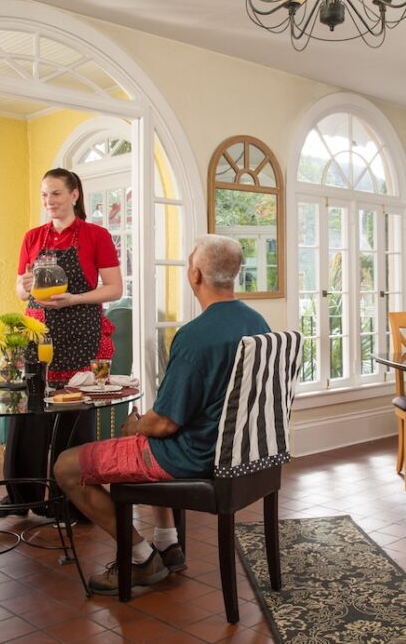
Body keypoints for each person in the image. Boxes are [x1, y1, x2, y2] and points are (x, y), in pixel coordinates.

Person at [53, 235, 270, 594]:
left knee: (66, 466)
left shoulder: (196, 335)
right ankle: (167, 542)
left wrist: (136, 426)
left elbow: (165, 423)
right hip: (238, 453)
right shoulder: (257, 322)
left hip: (194, 457)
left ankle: (141, 557)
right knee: (143, 436)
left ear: (195, 274)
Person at [0, 168, 123, 514]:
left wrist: (74, 298)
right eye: (44, 195)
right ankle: (21, 498)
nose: (48, 201)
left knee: (74, 418)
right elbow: (21, 291)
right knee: (30, 413)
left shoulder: (96, 235)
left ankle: (72, 504)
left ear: (74, 195)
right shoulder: (32, 237)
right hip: (39, 332)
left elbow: (114, 288)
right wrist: (24, 287)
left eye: (55, 193)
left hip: (83, 329)